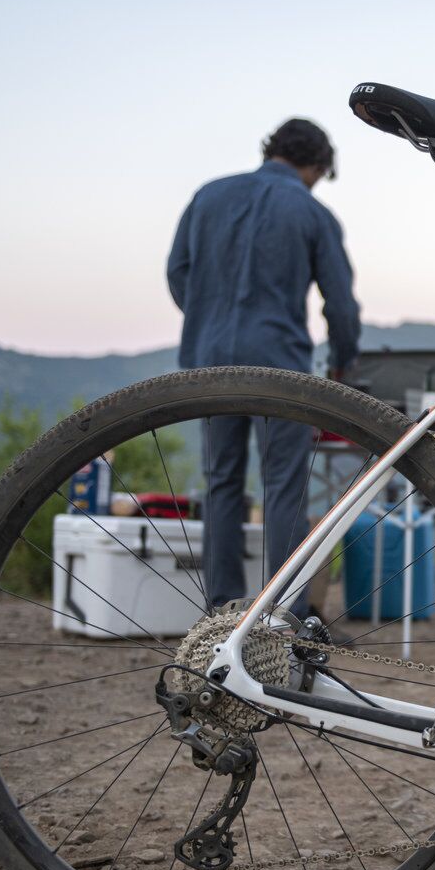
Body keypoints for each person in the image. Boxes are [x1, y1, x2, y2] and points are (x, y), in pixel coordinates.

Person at [166, 118, 362, 611]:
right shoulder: (313, 212)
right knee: (284, 486)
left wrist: (208, 317)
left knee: (223, 480)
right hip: (279, 366)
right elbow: (339, 305)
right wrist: (343, 364)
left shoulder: (208, 196)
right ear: (317, 165)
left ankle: (222, 609)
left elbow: (177, 272)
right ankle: (286, 615)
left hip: (208, 364)